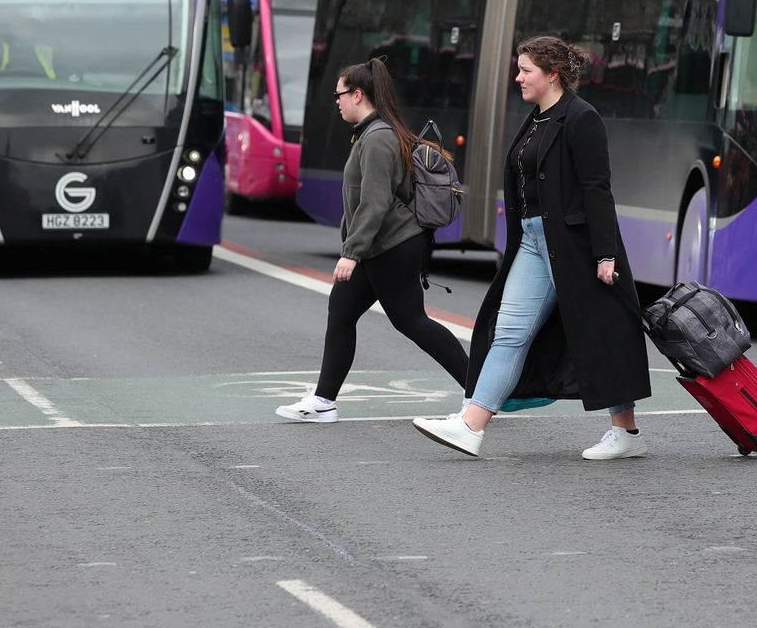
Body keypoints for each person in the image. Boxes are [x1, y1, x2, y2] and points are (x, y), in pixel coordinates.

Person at [412, 36, 651, 459]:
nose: (518, 77)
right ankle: (472, 425)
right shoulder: (536, 119)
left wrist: (605, 254)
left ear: (552, 75)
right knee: (509, 331)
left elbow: (598, 190)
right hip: (534, 243)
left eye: (526, 70)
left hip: (577, 247)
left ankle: (626, 433)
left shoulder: (582, 119)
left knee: (603, 335)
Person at [276, 57, 469, 423]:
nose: (336, 101)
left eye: (339, 94)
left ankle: (480, 392)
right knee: (343, 312)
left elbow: (375, 202)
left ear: (358, 94)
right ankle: (323, 400)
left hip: (392, 245)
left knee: (411, 321)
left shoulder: (378, 138)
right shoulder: (372, 133)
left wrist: (351, 252)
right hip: (384, 246)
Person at [0, 12, 57, 80]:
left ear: (33, 29)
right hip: (7, 90)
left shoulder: (48, 49)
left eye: (25, 27)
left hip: (44, 90)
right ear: (11, 30)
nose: (21, 31)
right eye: (17, 28)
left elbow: (62, 76)